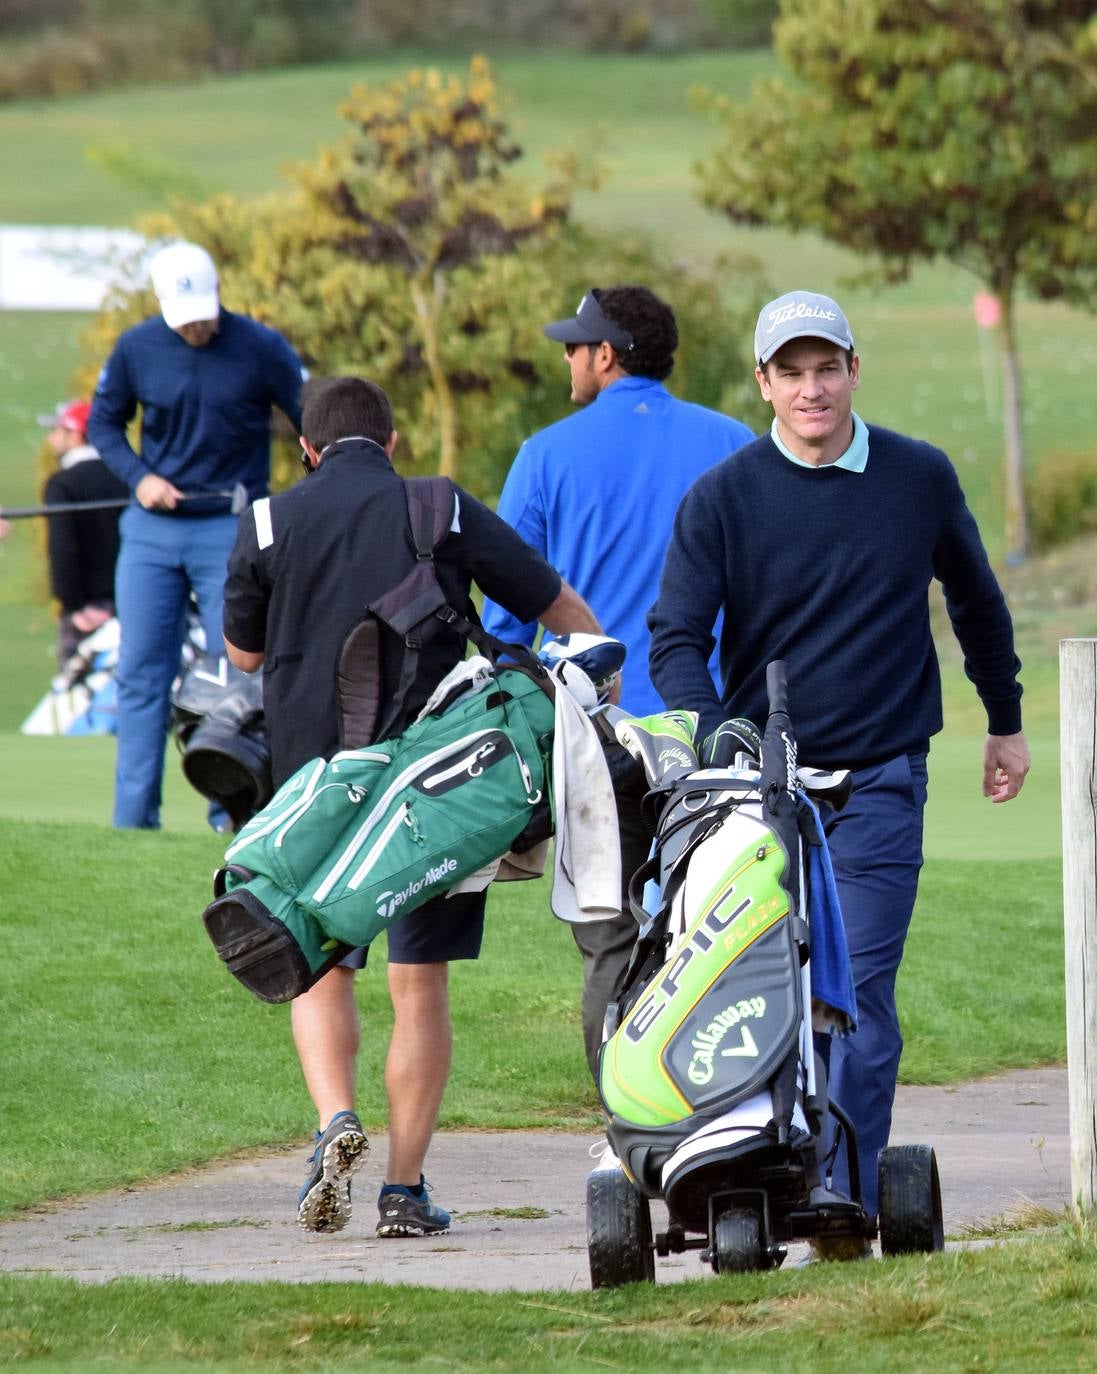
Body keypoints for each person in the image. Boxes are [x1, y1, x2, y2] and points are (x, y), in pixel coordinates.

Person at [648, 289, 1031, 1231]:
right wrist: (714, 729)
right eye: (793, 373)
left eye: (828, 369)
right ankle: (749, 1164)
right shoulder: (724, 498)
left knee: (856, 992)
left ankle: (840, 1194)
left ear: (855, 371)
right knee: (745, 979)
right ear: (764, 384)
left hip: (881, 777)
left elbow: (977, 602)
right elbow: (675, 639)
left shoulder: (918, 477)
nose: (812, 388)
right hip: (756, 793)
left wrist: (1007, 717)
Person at [222, 376, 603, 1240]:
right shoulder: (439, 507)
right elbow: (554, 606)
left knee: (320, 960)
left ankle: (334, 1122)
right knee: (419, 983)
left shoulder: (268, 522)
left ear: (309, 451)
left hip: (312, 789)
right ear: (392, 443)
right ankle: (403, 1190)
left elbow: (243, 655)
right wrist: (595, 672)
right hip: (438, 786)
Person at [481, 285, 754, 1071]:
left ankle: (623, 1126)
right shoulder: (733, 441)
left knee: (611, 939)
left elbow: (504, 625)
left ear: (605, 356)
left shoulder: (544, 455)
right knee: (718, 928)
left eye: (575, 345)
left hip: (594, 736)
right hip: (707, 729)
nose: (567, 357)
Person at [88, 240, 304, 830]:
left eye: (205, 314)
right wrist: (140, 477)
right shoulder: (137, 348)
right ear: (162, 304)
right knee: (141, 672)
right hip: (153, 531)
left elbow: (313, 418)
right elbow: (103, 423)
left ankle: (232, 816)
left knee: (237, 673)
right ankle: (132, 824)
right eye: (185, 319)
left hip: (231, 531)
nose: (198, 328)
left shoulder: (260, 347)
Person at [37, 398, 128, 669]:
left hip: (87, 609)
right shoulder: (126, 477)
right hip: (133, 600)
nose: (52, 439)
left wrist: (73, 606)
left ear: (75, 434)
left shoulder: (62, 484)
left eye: (57, 431)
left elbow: (63, 549)